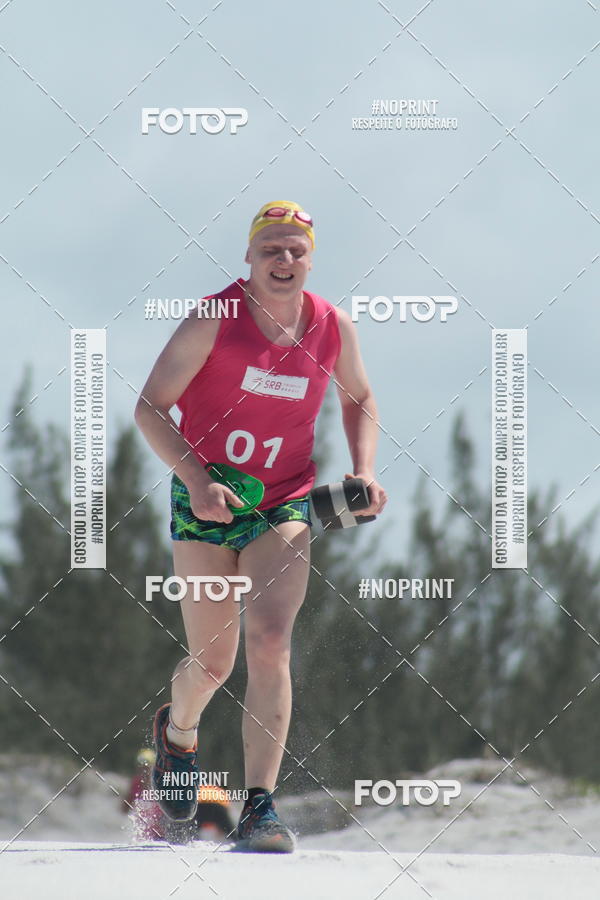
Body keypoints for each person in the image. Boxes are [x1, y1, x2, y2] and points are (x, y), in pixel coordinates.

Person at [134, 200, 387, 852]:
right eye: (271, 247)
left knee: (270, 639)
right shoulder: (215, 318)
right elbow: (150, 408)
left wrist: (363, 469)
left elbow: (359, 398)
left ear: (310, 258)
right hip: (207, 503)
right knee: (213, 663)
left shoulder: (332, 327)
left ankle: (260, 808)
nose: (284, 259)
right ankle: (178, 734)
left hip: (285, 503)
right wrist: (196, 479)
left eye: (296, 249)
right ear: (248, 257)